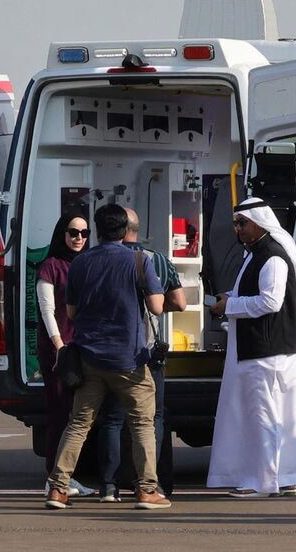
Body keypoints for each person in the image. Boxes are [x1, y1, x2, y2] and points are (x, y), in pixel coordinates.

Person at [44, 204, 170, 511]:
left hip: (89, 358)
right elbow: (156, 307)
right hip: (129, 359)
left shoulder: (81, 264)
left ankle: (58, 489)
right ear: (126, 231)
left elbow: (71, 312)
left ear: (97, 232)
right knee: (142, 423)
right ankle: (147, 490)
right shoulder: (139, 261)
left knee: (78, 424)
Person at [206, 198, 296, 499]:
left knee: (263, 416)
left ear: (259, 223)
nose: (237, 229)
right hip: (269, 350)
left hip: (267, 352)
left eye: (242, 223)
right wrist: (230, 297)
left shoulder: (273, 257)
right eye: (235, 223)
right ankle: (284, 476)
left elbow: (270, 301)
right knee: (277, 415)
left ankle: (261, 481)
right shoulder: (257, 254)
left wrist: (230, 306)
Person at [96, 207, 189, 500]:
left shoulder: (101, 259)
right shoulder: (157, 259)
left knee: (111, 418)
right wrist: (153, 307)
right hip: (147, 350)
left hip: (111, 348)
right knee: (153, 417)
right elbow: (179, 302)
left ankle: (109, 485)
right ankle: (149, 482)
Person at [33, 214, 94, 498]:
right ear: (62, 233)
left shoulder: (86, 263)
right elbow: (47, 311)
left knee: (76, 416)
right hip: (59, 351)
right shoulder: (50, 266)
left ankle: (67, 477)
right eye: (73, 232)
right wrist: (60, 348)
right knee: (59, 414)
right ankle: (53, 478)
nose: (79, 237)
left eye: (84, 232)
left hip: (82, 347)